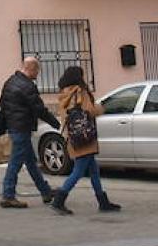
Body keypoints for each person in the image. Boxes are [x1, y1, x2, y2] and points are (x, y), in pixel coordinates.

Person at [48, 66, 120, 215]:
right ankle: (59, 200)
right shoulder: (80, 92)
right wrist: (100, 108)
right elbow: (91, 111)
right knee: (78, 171)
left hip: (74, 137)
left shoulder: (64, 94)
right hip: (85, 138)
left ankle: (103, 201)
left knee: (93, 170)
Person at [0, 55, 59, 209]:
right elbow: (39, 109)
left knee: (31, 162)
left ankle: (45, 191)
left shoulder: (10, 82)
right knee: (15, 163)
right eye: (37, 70)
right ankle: (8, 195)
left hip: (13, 127)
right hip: (21, 128)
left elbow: (3, 105)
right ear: (31, 68)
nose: (38, 74)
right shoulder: (27, 86)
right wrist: (55, 123)